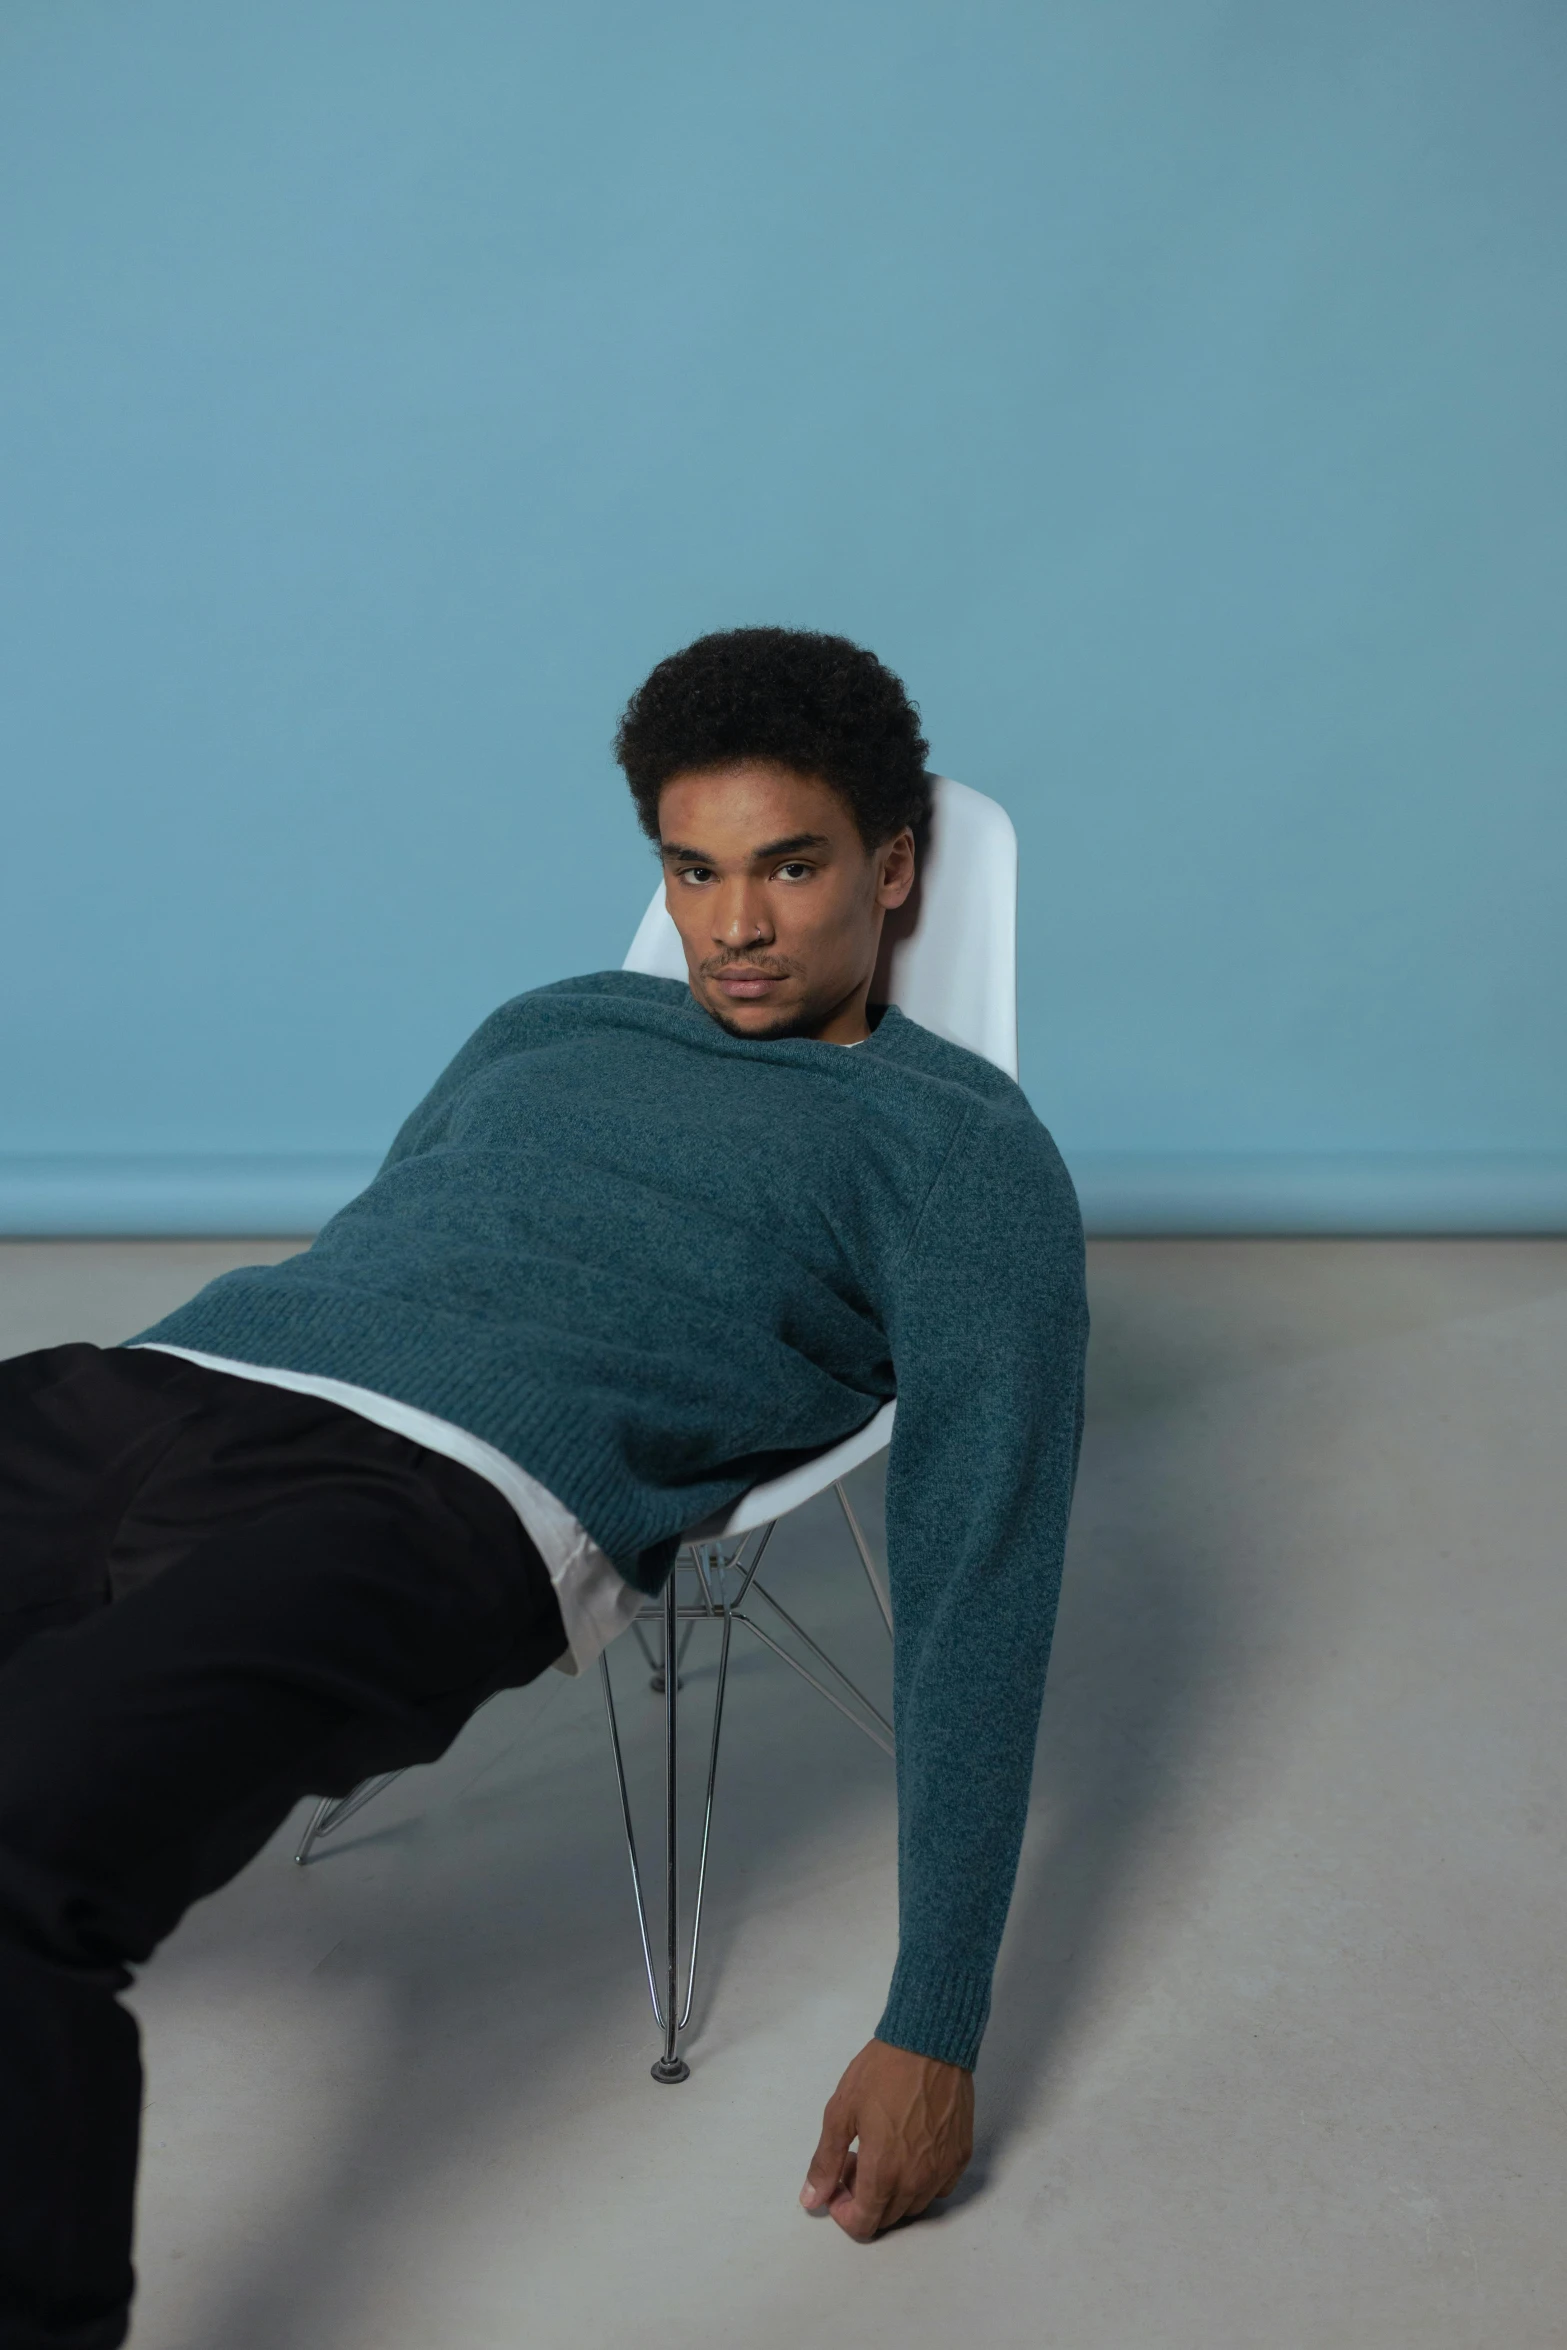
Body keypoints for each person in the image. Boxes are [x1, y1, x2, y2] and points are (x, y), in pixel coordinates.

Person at [0, 627, 1087, 2348]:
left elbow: (983, 1568)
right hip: (147, 1387)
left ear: (892, 866)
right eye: (692, 868)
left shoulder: (960, 1153)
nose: (730, 924)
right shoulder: (550, 1019)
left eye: (790, 867)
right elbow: (390, 1237)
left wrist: (932, 2023)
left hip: (433, 1501)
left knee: (29, 1831)